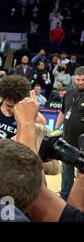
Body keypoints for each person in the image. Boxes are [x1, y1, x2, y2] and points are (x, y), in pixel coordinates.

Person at [0, 75, 46, 140]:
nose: (9, 101)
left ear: (22, 98)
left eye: (14, 98)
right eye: (7, 97)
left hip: (14, 154)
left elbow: (37, 142)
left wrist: (20, 117)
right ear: (2, 95)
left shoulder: (35, 117)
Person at [54, 66, 84, 200]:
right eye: (77, 79)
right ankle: (65, 198)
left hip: (82, 143)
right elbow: (62, 112)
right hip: (67, 140)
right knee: (66, 172)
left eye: (83, 80)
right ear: (74, 78)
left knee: (82, 174)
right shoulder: (69, 93)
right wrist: (55, 129)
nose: (80, 82)